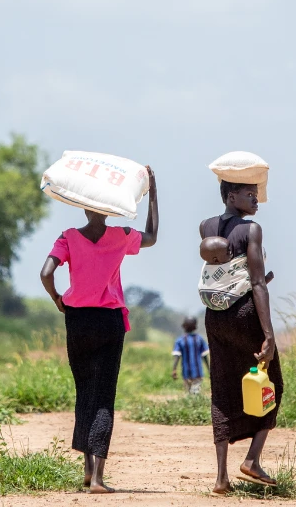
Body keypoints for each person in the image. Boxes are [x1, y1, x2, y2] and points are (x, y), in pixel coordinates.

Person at [40, 165, 159, 494]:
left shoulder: (67, 237)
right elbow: (151, 237)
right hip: (109, 321)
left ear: (82, 205)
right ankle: (98, 479)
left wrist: (57, 299)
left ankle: (86, 471)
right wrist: (154, 195)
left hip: (77, 319)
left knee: (84, 393)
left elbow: (46, 272)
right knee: (104, 396)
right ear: (111, 211)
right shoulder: (120, 236)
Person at [200, 180, 282, 495]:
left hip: (215, 316)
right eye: (250, 194)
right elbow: (257, 283)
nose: (256, 199)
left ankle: (221, 479)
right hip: (245, 314)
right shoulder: (252, 229)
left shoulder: (205, 226)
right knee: (271, 381)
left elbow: (222, 272)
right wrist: (269, 335)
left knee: (222, 389)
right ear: (231, 196)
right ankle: (251, 460)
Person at [171, 317, 209, 394]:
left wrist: (174, 369)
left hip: (186, 373)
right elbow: (205, 356)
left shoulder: (180, 340)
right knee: (195, 392)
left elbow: (177, 357)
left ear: (183, 326)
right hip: (198, 372)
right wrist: (209, 369)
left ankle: (192, 404)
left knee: (188, 393)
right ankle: (195, 404)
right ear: (195, 327)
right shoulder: (199, 339)